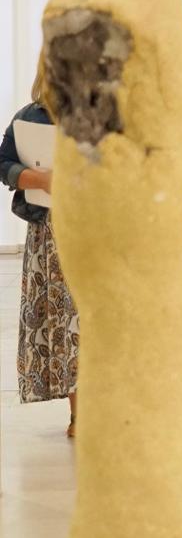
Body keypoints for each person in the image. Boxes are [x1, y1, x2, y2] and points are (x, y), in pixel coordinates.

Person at [0, 70, 79, 437]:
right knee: (64, 320)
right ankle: (80, 413)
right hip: (49, 231)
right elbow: (4, 163)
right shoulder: (29, 117)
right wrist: (38, 179)